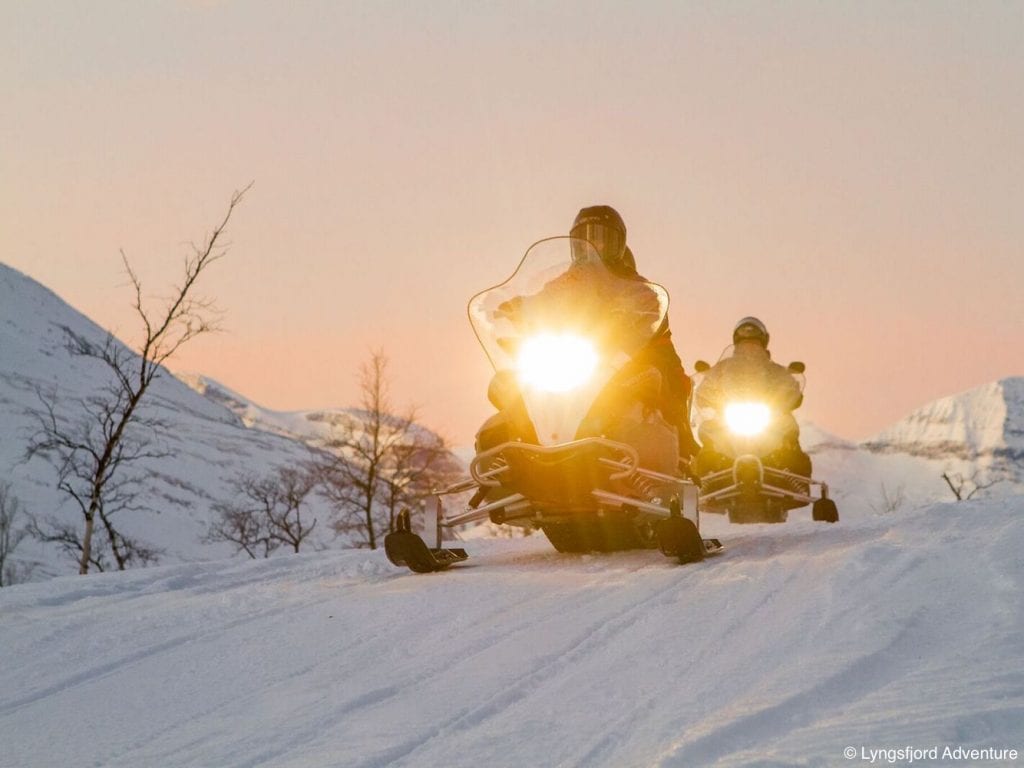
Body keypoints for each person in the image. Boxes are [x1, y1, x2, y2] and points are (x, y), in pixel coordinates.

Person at [568, 205, 701, 463]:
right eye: (585, 238)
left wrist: (631, 321)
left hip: (626, 359)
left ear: (617, 243)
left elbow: (650, 310)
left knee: (662, 379)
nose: (593, 245)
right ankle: (502, 469)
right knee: (512, 386)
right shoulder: (569, 282)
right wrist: (519, 308)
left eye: (601, 237)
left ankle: (679, 452)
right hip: (573, 361)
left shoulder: (638, 287)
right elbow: (545, 300)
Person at [692, 316, 811, 479]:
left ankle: (792, 477)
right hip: (729, 419)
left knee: (789, 429)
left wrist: (791, 392)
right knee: (708, 432)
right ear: (736, 342)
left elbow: (791, 388)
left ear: (762, 343)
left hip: (768, 420)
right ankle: (706, 479)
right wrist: (707, 394)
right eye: (745, 344)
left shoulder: (775, 370)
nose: (749, 348)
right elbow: (705, 388)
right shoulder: (721, 368)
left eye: (754, 344)